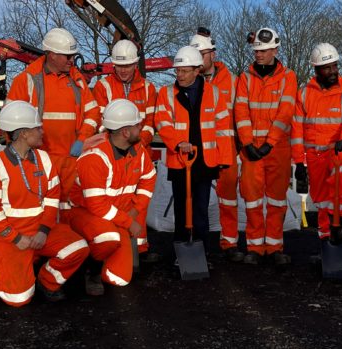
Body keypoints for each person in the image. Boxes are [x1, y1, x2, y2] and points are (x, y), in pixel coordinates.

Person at [0, 101, 89, 306]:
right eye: (38, 128)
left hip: (41, 232)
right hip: (12, 238)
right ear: (23, 134)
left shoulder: (44, 159)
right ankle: (24, 264)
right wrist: (15, 238)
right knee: (18, 300)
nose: (42, 131)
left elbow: (51, 199)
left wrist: (43, 230)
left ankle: (46, 281)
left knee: (78, 247)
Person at [7, 27, 100, 220]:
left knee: (67, 207)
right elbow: (11, 123)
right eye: (67, 56)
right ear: (51, 55)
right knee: (40, 207)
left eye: (72, 56)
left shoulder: (77, 79)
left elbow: (93, 112)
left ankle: (66, 245)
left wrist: (82, 139)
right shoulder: (26, 80)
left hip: (70, 158)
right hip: (39, 159)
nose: (71, 61)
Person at [154, 45, 233, 265]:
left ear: (197, 70)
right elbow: (162, 122)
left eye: (184, 71)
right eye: (177, 71)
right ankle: (181, 251)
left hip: (205, 161)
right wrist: (178, 143)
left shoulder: (214, 93)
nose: (179, 75)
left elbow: (223, 128)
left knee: (200, 209)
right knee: (181, 208)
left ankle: (201, 251)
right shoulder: (167, 93)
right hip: (180, 161)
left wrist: (224, 159)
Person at [69, 99, 156, 291]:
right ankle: (90, 269)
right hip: (85, 214)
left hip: (116, 215)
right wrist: (128, 222)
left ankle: (102, 253)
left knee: (119, 278)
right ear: (125, 132)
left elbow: (149, 178)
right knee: (107, 237)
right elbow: (97, 206)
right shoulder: (95, 156)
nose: (140, 128)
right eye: (136, 126)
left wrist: (134, 211)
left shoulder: (138, 150)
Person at [91, 39, 159, 262]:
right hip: (114, 153)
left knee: (139, 200)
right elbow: (101, 122)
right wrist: (118, 142)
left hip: (140, 152)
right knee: (114, 200)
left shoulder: (148, 88)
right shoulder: (103, 87)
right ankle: (116, 245)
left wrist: (140, 141)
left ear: (136, 64)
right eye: (119, 66)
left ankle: (140, 247)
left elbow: (150, 121)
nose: (123, 71)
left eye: (128, 66)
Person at [234, 28, 297, 265]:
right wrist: (248, 143)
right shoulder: (245, 78)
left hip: (277, 149)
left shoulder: (288, 77)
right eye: (256, 50)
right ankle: (254, 247)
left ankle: (274, 247)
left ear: (275, 49)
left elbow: (286, 112)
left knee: (276, 200)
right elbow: (240, 111)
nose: (258, 54)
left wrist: (270, 143)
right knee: (252, 199)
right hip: (252, 149)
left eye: (263, 50)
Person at [291, 43, 342, 242]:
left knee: (338, 187)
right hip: (315, 155)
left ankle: (339, 225)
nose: (333, 72)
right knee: (321, 198)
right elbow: (297, 130)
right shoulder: (304, 93)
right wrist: (298, 162)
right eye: (327, 68)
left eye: (335, 66)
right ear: (316, 69)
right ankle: (325, 237)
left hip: (338, 151)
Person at [189, 27, 243, 262]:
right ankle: (199, 243)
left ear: (212, 54)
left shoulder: (232, 81)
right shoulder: (191, 81)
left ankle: (229, 242)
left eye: (202, 54)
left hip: (227, 148)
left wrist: (240, 144)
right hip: (200, 151)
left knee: (228, 198)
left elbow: (240, 113)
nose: (199, 60)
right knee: (198, 199)